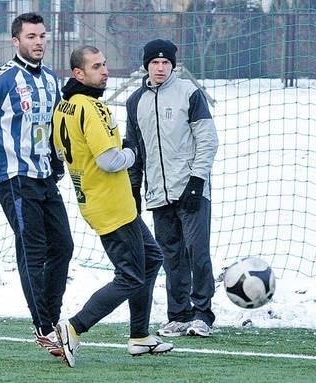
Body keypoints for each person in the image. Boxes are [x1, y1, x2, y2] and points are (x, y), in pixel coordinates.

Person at [0, 12, 74, 356]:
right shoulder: (4, 78)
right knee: (32, 248)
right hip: (13, 177)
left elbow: (53, 127)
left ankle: (50, 317)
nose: (38, 42)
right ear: (16, 41)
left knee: (63, 245)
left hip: (43, 176)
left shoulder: (52, 80)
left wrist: (56, 159)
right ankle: (45, 327)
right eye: (31, 37)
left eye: (42, 36)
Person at [52, 45, 173, 368]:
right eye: (96, 67)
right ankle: (73, 327)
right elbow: (109, 160)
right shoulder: (92, 108)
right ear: (78, 74)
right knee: (131, 275)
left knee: (151, 259)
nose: (104, 71)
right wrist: (134, 152)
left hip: (96, 200)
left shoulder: (64, 106)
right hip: (111, 203)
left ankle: (139, 336)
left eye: (104, 64)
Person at [126, 39, 219, 337]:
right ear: (146, 65)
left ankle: (202, 313)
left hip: (191, 191)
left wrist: (197, 181)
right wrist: (134, 187)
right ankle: (178, 315)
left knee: (197, 252)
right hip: (157, 194)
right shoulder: (134, 101)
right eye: (155, 62)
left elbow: (207, 140)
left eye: (166, 63)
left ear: (173, 66)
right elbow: (134, 149)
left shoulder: (190, 94)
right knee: (172, 256)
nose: (160, 67)